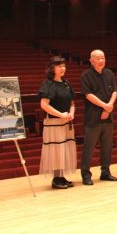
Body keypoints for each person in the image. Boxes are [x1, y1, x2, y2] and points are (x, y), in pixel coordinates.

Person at [38, 56, 77, 189]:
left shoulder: (66, 83)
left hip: (66, 122)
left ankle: (61, 176)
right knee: (56, 150)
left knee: (64, 149)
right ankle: (56, 179)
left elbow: (72, 103)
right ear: (52, 68)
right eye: (59, 66)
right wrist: (61, 115)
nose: (62, 68)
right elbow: (44, 105)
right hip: (54, 123)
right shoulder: (48, 84)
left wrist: (71, 113)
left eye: (64, 66)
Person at [80, 49, 117, 185]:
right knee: (89, 148)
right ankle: (86, 175)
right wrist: (105, 106)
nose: (101, 60)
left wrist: (109, 106)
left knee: (107, 147)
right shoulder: (86, 75)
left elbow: (114, 91)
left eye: (103, 58)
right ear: (91, 60)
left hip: (108, 116)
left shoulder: (109, 73)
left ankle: (105, 172)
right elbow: (88, 95)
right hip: (93, 117)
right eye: (97, 58)